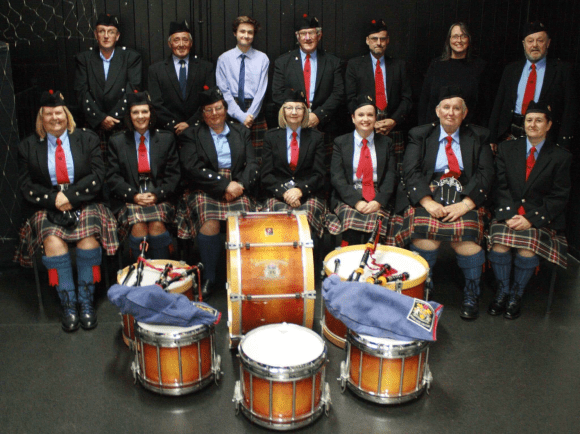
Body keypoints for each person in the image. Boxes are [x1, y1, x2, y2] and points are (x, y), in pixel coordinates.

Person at [14, 90, 118, 332]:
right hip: (47, 204)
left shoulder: (87, 138)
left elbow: (98, 175)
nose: (54, 118)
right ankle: (69, 304)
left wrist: (69, 197)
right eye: (48, 114)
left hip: (85, 200)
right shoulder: (28, 146)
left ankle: (86, 301)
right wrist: (54, 199)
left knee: (89, 239)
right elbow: (26, 185)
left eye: (58, 112)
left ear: (66, 114)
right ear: (41, 117)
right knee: (52, 241)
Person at [393, 86, 494, 320]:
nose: (451, 112)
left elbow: (486, 174)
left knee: (468, 241)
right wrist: (427, 202)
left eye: (456, 108)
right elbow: (411, 171)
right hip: (428, 192)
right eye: (446, 107)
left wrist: (466, 204)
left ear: (464, 113)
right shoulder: (420, 135)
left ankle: (472, 292)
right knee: (426, 238)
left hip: (465, 193)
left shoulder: (479, 136)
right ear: (437, 111)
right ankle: (422, 288)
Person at [487, 101, 570, 319]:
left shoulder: (561, 157)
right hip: (509, 212)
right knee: (499, 245)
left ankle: (516, 294)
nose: (533, 124)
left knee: (526, 249)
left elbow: (559, 197)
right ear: (523, 123)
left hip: (539, 217)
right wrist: (507, 214)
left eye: (539, 120)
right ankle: (503, 291)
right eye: (529, 120)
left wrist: (531, 219)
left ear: (549, 125)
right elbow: (499, 186)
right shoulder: (506, 149)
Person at [177, 86, 259, 298]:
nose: (215, 114)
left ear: (225, 108)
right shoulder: (191, 134)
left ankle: (244, 276)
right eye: (209, 110)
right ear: (202, 114)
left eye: (218, 108)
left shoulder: (241, 131)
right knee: (210, 220)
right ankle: (209, 278)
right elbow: (191, 167)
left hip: (238, 186)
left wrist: (239, 184)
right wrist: (223, 185)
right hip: (205, 187)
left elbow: (252, 164)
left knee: (243, 221)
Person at [107, 91, 181, 260]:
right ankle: (140, 276)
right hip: (130, 197)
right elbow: (113, 177)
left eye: (144, 111)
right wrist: (134, 196)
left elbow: (173, 176)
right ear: (129, 116)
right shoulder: (117, 141)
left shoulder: (166, 138)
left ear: (151, 114)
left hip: (161, 196)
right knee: (138, 225)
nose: (140, 116)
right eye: (135, 112)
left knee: (156, 224)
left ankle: (161, 272)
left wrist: (157, 195)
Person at [489, 21, 577, 151]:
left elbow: (570, 109)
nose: (534, 45)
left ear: (548, 43)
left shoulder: (562, 70)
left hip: (546, 137)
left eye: (540, 41)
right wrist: (492, 137)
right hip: (511, 133)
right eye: (530, 41)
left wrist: (563, 142)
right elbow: (499, 103)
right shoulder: (511, 70)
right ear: (524, 45)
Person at [271, 14, 344, 167]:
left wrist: (318, 115)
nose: (308, 37)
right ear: (297, 37)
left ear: (319, 35)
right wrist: (300, 116)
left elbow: (338, 93)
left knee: (323, 172)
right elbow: (277, 94)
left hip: (324, 125)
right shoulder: (283, 62)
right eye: (303, 34)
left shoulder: (333, 62)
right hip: (292, 125)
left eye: (312, 33)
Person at [326, 95, 396, 245]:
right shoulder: (341, 142)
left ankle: (373, 264)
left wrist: (379, 201)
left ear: (376, 118)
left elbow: (391, 176)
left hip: (378, 194)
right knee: (352, 231)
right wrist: (356, 202)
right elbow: (337, 178)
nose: (365, 119)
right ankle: (348, 262)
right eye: (361, 115)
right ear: (353, 118)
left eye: (370, 115)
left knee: (377, 227)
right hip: (349, 195)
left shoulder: (386, 143)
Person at [345, 18, 412, 172]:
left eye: (382, 39)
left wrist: (394, 120)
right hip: (365, 126)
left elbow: (407, 99)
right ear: (367, 41)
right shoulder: (354, 65)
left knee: (394, 173)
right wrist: (367, 123)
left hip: (393, 127)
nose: (379, 43)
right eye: (374, 39)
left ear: (388, 41)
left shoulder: (399, 65)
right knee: (366, 171)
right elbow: (349, 98)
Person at [261, 89, 326, 241]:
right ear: (282, 111)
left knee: (306, 220)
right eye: (289, 108)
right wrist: (285, 192)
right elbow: (266, 175)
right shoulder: (271, 137)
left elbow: (320, 174)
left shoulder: (316, 138)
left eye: (299, 108)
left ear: (305, 112)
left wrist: (300, 190)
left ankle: (310, 264)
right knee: (280, 222)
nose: (294, 112)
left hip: (308, 194)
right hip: (279, 195)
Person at [74, 13, 142, 153]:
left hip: (122, 122)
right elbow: (81, 92)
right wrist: (101, 118)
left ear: (117, 36)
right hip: (94, 123)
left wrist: (113, 117)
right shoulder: (84, 59)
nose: (106, 36)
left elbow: (133, 88)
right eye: (101, 31)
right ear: (95, 34)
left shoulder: (131, 57)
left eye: (111, 32)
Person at [216, 16, 269, 164]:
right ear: (235, 33)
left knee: (258, 158)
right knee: (232, 155)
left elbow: (261, 91)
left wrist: (249, 115)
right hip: (231, 109)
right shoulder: (224, 59)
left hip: (255, 112)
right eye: (242, 31)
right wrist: (240, 115)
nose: (246, 35)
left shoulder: (262, 58)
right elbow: (224, 91)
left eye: (250, 32)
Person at [148, 20, 215, 135]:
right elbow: (156, 103)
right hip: (168, 132)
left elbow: (209, 100)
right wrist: (174, 125)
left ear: (191, 43)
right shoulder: (156, 70)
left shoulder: (206, 68)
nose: (181, 44)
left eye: (185, 40)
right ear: (170, 44)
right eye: (176, 40)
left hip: (199, 130)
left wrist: (190, 123)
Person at [418, 22, 488, 126]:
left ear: (469, 39)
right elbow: (424, 100)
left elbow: (485, 104)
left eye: (463, 36)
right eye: (455, 36)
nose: (459, 40)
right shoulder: (436, 65)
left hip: (468, 132)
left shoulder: (479, 66)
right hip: (435, 130)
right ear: (449, 40)